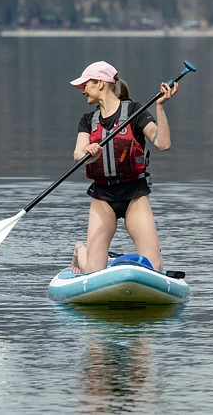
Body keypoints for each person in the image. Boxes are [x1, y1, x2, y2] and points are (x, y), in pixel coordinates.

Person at [67, 61, 179, 274]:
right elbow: (77, 155)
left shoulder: (136, 112)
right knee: (93, 270)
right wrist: (89, 153)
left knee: (154, 267)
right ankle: (80, 250)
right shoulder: (87, 120)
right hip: (103, 197)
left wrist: (160, 107)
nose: (82, 91)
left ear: (100, 83)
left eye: (85, 84)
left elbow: (163, 143)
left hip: (134, 194)